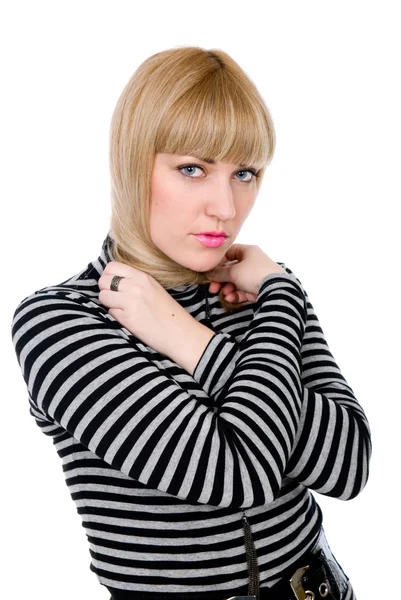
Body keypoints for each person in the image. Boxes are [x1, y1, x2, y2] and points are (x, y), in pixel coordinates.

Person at [11, 46, 371, 600]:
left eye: (245, 173)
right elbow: (238, 474)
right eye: (191, 168)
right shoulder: (61, 323)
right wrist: (270, 310)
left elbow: (348, 465)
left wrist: (197, 336)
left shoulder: (264, 291)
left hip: (320, 586)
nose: (226, 208)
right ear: (133, 164)